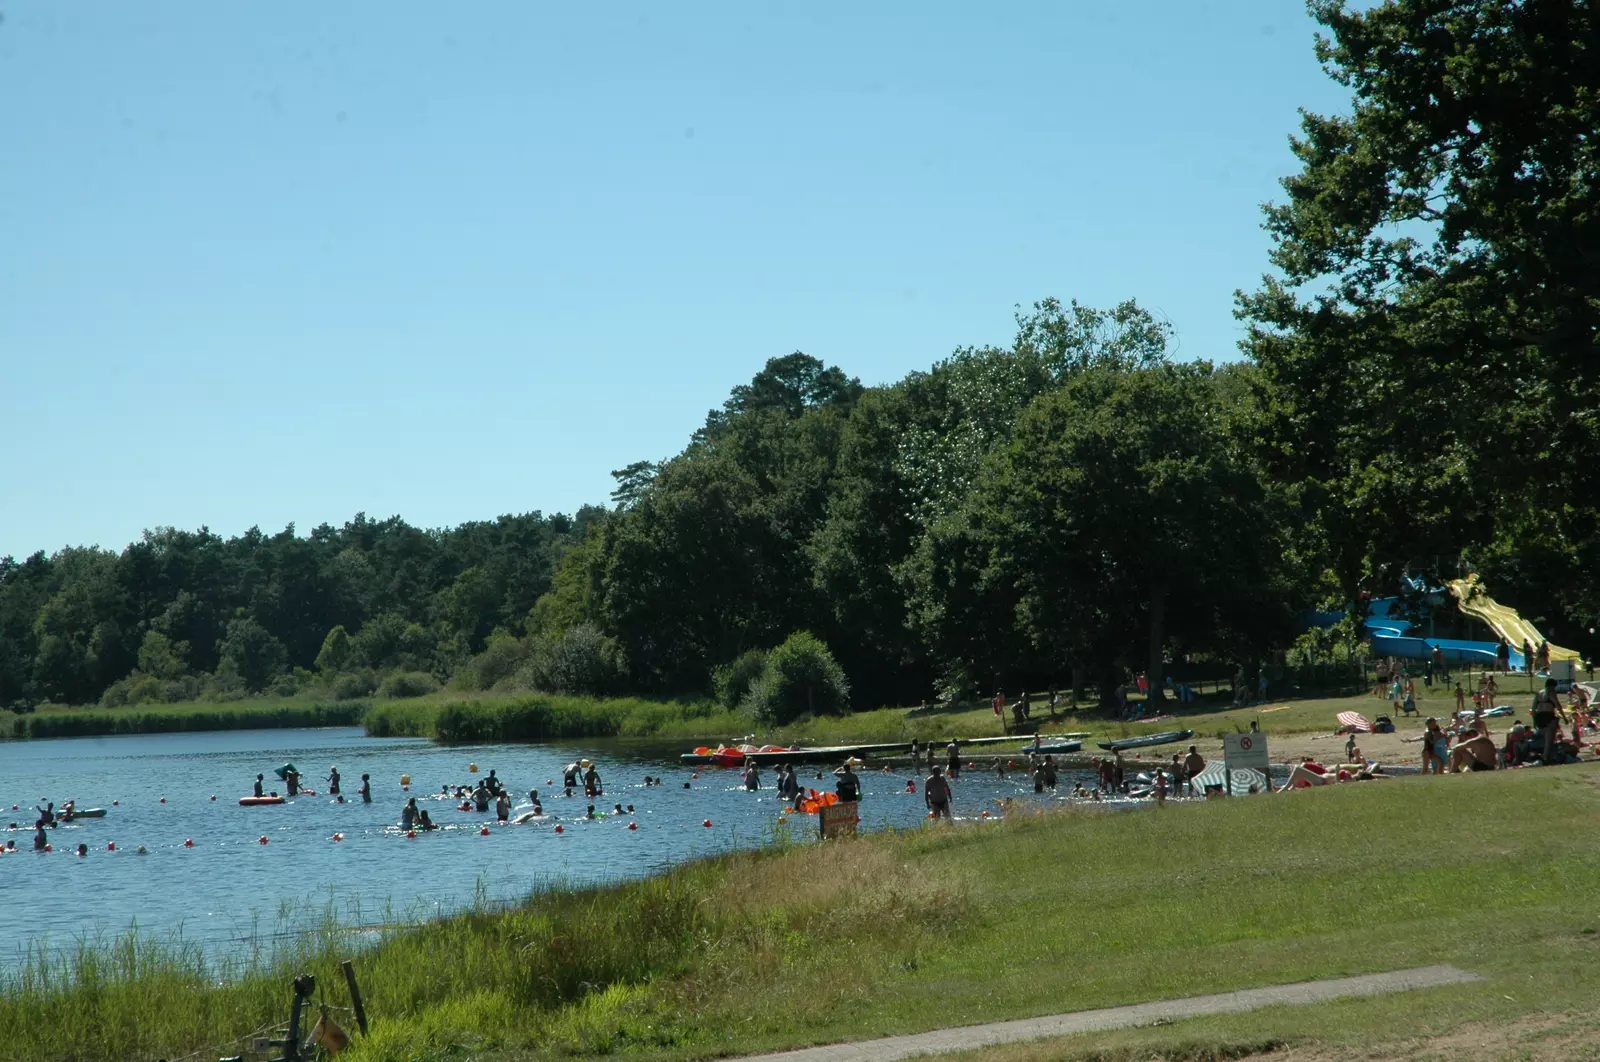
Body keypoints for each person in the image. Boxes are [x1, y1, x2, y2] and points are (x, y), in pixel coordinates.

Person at [1532, 678, 1567, 763]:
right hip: (1548, 716)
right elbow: (1557, 705)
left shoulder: (1539, 693)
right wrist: (1564, 717)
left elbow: (1533, 708)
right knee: (1549, 740)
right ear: (1552, 686)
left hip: (1539, 717)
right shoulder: (1551, 692)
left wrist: (1534, 721)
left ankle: (1544, 755)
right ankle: (1546, 758)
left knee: (1543, 739)